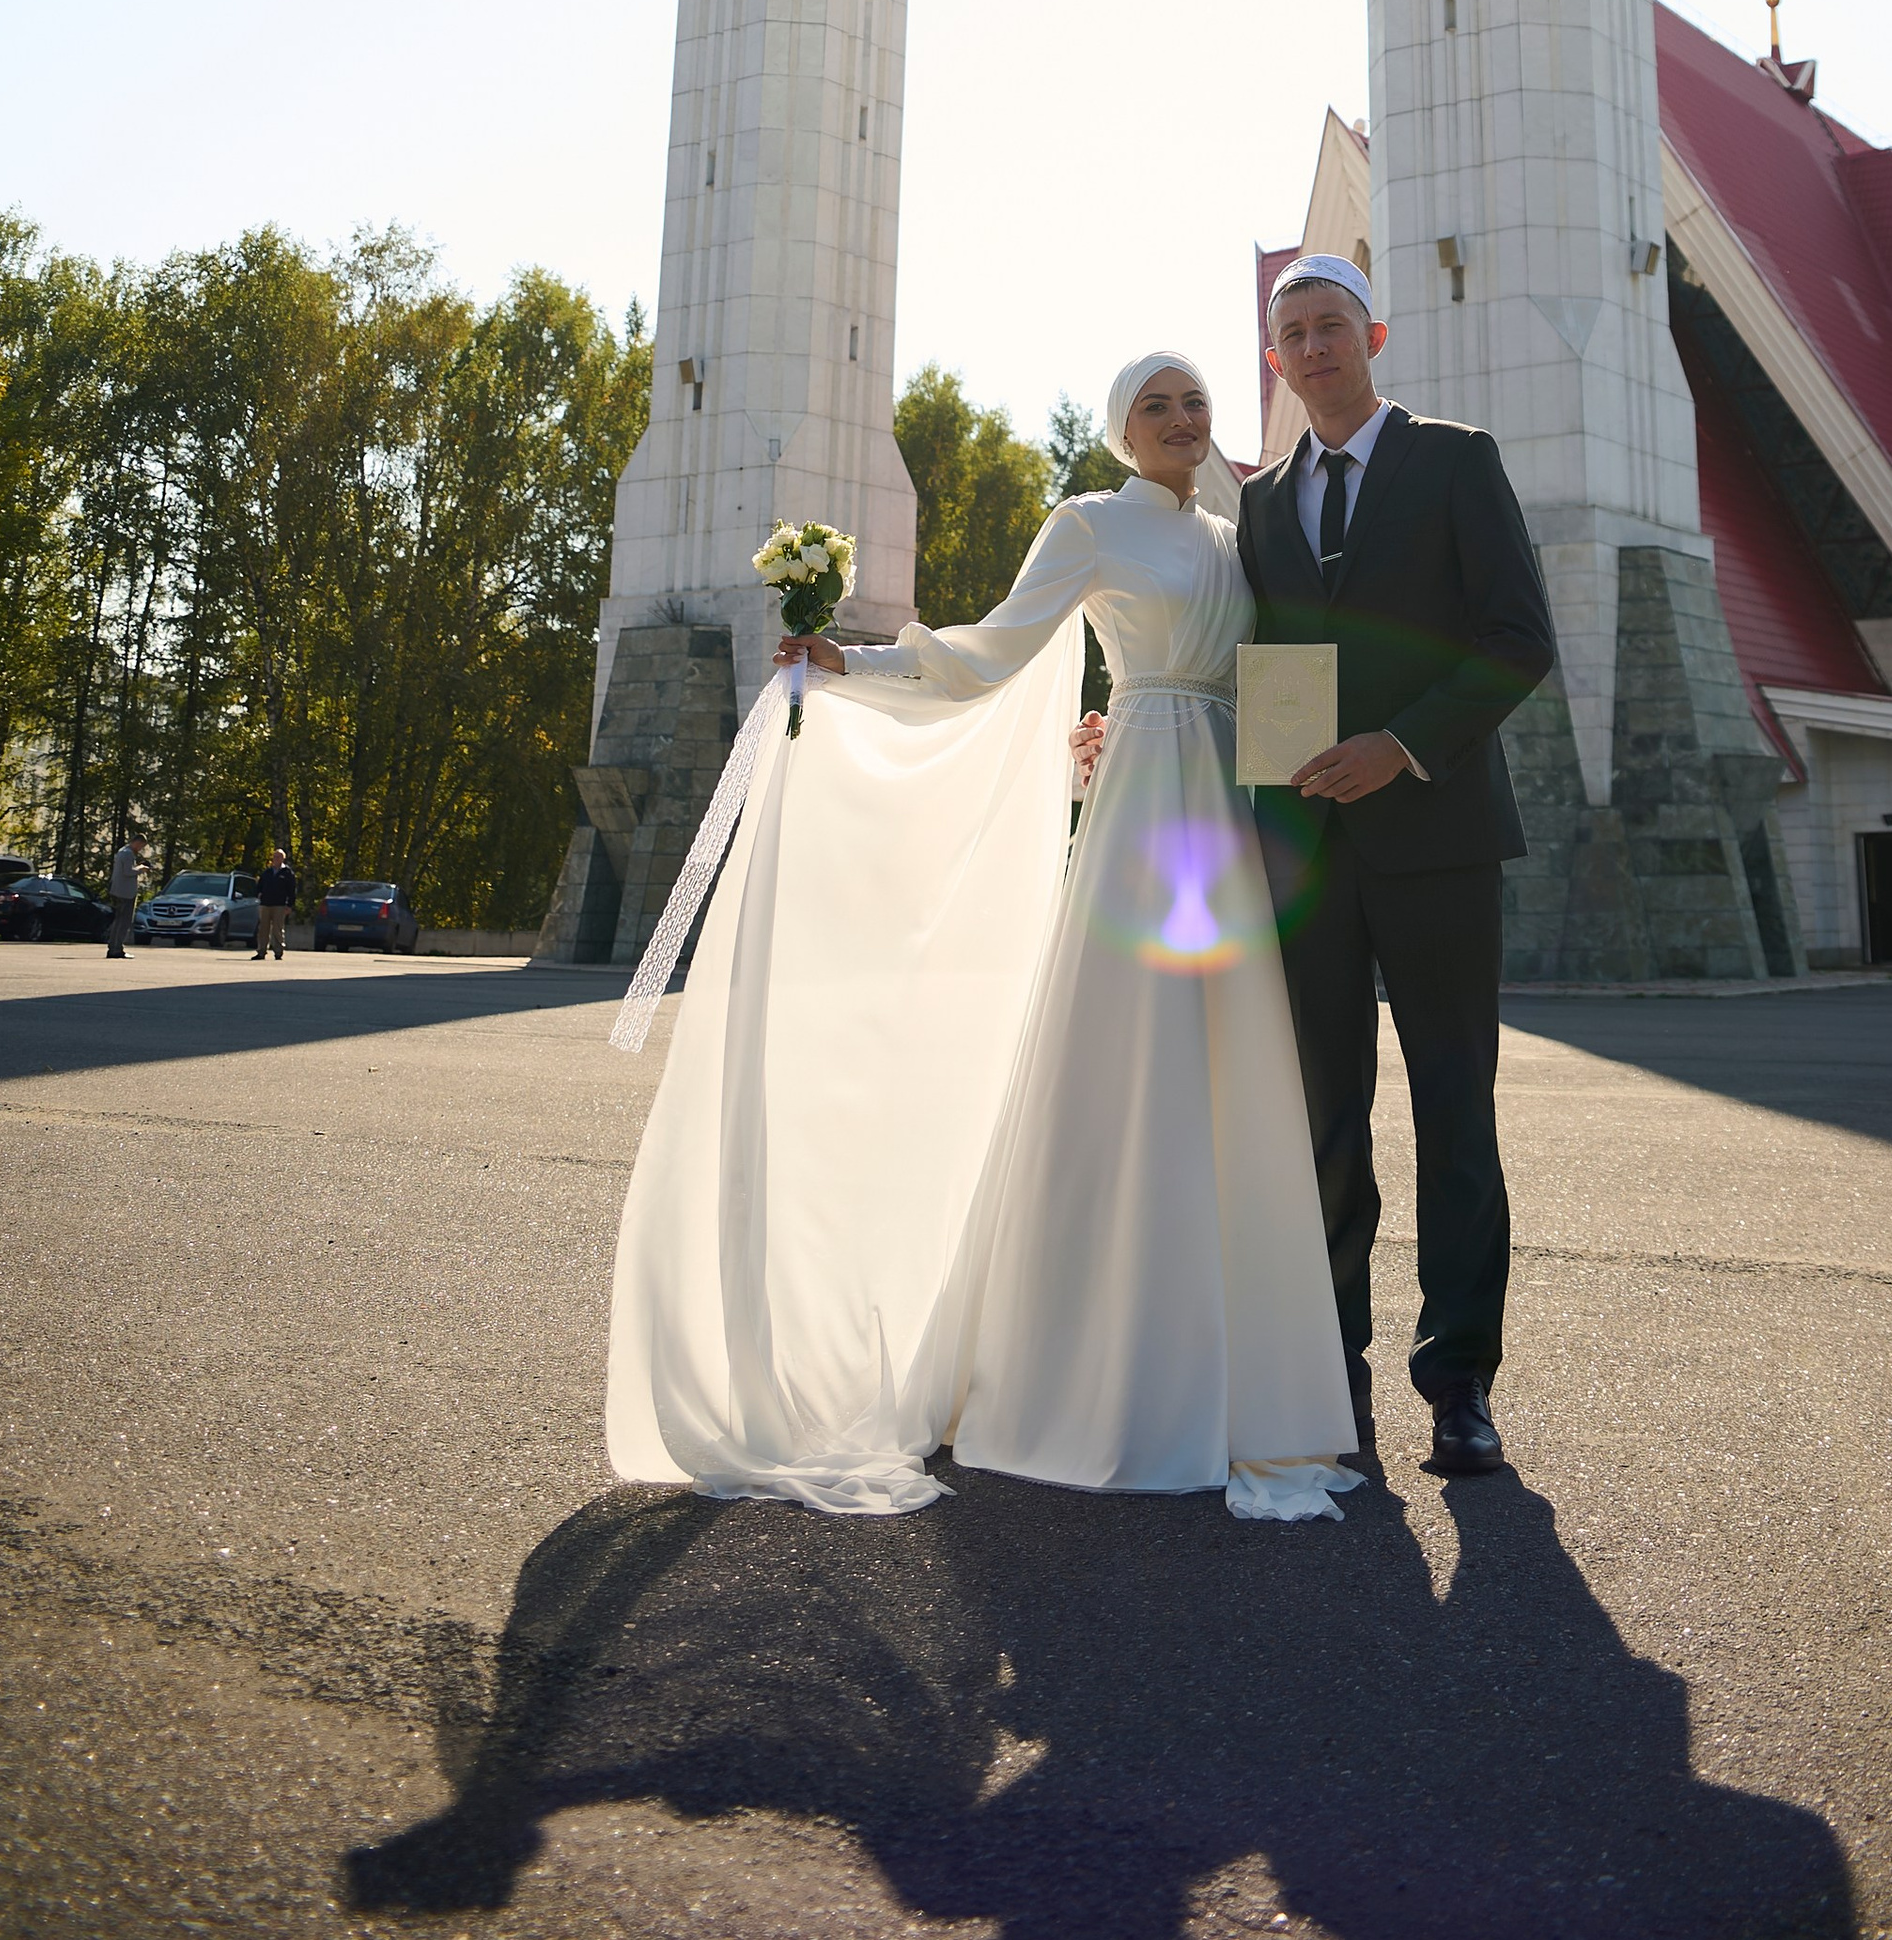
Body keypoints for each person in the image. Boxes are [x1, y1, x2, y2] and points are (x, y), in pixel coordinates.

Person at [606, 350, 1360, 1526]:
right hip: (1145, 806)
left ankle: (1231, 1379)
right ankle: (1090, 1381)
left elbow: (1272, 675)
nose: (1180, 417)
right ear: (1121, 430)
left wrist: (1308, 789)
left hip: (1229, 808)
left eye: (1193, 399)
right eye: (1154, 405)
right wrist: (857, 660)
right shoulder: (1091, 522)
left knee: (1234, 1083)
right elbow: (995, 646)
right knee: (1135, 1074)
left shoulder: (1232, 532)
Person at [1238, 255, 1558, 1482]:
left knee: (1453, 1111)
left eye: (1331, 326)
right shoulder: (1264, 502)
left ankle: (1460, 1383)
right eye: (1292, 333)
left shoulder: (1455, 458)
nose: (1314, 346)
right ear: (1276, 358)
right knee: (1325, 1122)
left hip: (1436, 842)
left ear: (1371, 334)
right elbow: (1262, 667)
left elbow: (1516, 636)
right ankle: (1335, 1375)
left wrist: (1403, 744)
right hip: (1309, 859)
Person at [104, 826, 145, 962]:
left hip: (118, 890)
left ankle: (114, 947)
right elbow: (128, 871)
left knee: (119, 920)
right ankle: (116, 948)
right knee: (124, 921)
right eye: (141, 846)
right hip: (125, 892)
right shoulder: (128, 854)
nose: (140, 849)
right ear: (137, 842)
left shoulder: (122, 852)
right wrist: (141, 868)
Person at [254, 847, 296, 960]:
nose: (275, 859)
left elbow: (292, 890)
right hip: (265, 904)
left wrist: (289, 905)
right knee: (263, 928)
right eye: (274, 857)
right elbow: (259, 886)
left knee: (277, 929)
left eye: (278, 857)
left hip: (279, 905)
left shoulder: (287, 873)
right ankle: (261, 951)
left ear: (283, 859)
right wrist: (258, 893)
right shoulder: (267, 872)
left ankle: (278, 952)